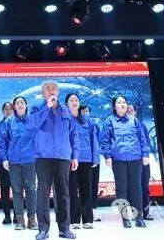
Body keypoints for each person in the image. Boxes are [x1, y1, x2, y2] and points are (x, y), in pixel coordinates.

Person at [30, 80, 79, 240]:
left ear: (58, 92)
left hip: (63, 157)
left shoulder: (66, 111)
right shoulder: (37, 108)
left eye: (54, 89)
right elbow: (34, 124)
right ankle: (43, 229)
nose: (51, 91)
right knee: (42, 193)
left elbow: (73, 135)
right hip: (43, 157)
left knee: (63, 193)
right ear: (43, 93)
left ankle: (64, 228)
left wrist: (75, 156)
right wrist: (48, 107)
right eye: (47, 89)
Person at [99, 95, 149, 229]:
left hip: (135, 158)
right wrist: (107, 156)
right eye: (119, 102)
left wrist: (145, 154)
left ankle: (139, 217)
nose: (122, 104)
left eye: (124, 102)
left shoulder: (134, 120)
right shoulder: (109, 121)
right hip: (118, 159)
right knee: (121, 189)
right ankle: (125, 218)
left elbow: (142, 139)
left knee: (136, 188)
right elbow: (104, 140)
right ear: (114, 106)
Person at [0, 95, 38, 231]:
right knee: (16, 191)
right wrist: (4, 158)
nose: (20, 105)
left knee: (31, 190)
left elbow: (39, 139)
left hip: (30, 160)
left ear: (26, 105)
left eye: (22, 102)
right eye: (17, 103)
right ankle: (20, 220)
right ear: (14, 107)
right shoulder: (9, 122)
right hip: (14, 161)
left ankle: (32, 219)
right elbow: (1, 141)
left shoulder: (33, 121)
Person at [65, 96, 99, 230]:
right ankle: (74, 220)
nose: (74, 102)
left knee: (87, 190)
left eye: (76, 100)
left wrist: (95, 158)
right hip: (69, 160)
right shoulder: (64, 120)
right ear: (66, 104)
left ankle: (87, 220)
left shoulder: (88, 121)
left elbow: (94, 140)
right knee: (72, 190)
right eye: (71, 100)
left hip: (86, 159)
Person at [128, 104, 153, 221]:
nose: (129, 112)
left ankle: (146, 212)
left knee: (144, 186)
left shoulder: (141, 125)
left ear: (135, 112)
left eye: (131, 110)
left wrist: (145, 156)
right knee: (132, 187)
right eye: (127, 111)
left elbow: (146, 143)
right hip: (130, 161)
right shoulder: (122, 127)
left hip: (143, 160)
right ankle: (134, 213)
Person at [80, 104, 102, 222]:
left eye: (87, 111)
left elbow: (98, 142)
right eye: (83, 111)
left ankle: (92, 209)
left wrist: (96, 158)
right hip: (80, 160)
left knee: (93, 186)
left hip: (93, 159)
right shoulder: (74, 123)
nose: (85, 113)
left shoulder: (94, 124)